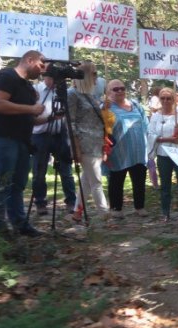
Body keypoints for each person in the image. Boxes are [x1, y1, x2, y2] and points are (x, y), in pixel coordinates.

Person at [0, 50, 47, 237]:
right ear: (29, 60)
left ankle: (19, 223)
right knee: (2, 183)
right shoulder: (6, 76)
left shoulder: (27, 87)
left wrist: (49, 118)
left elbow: (29, 118)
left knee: (18, 184)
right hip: (3, 138)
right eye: (41, 65)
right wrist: (31, 108)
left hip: (21, 140)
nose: (43, 70)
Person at [67, 61, 109, 221]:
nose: (97, 77)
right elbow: (70, 122)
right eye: (94, 73)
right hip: (84, 143)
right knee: (96, 180)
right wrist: (76, 146)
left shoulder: (89, 94)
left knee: (87, 180)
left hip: (95, 141)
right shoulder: (72, 94)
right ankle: (104, 212)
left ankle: (77, 212)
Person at [31, 75, 76, 216]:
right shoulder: (35, 90)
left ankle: (71, 201)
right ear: (45, 76)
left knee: (66, 170)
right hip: (40, 135)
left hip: (60, 134)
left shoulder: (63, 92)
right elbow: (31, 114)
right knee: (39, 171)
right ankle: (40, 202)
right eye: (52, 76)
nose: (55, 80)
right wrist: (50, 117)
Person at [104, 79, 149, 218]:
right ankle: (116, 209)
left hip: (139, 150)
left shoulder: (135, 105)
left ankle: (140, 207)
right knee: (117, 179)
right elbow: (102, 129)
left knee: (139, 180)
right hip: (119, 151)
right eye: (115, 89)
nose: (120, 91)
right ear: (108, 92)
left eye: (122, 88)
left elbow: (145, 124)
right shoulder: (106, 108)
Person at [148, 88, 178, 223]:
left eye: (169, 98)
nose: (166, 101)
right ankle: (165, 213)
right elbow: (151, 135)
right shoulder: (155, 117)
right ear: (159, 99)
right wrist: (167, 139)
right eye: (163, 98)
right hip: (163, 154)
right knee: (165, 185)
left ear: (174, 99)